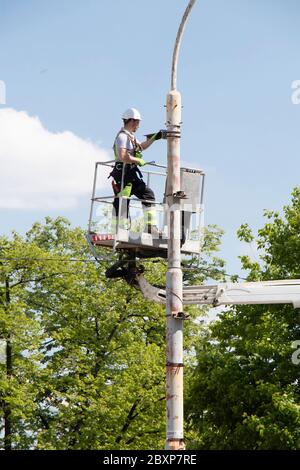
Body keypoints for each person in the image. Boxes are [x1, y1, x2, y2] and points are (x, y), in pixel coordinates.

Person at [111, 108, 163, 237]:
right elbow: (123, 156)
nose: (138, 126)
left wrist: (154, 138)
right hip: (123, 173)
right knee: (123, 199)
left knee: (148, 194)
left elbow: (141, 147)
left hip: (131, 173)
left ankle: (151, 227)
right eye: (138, 123)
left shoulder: (131, 137)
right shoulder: (122, 137)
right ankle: (120, 229)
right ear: (132, 121)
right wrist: (138, 160)